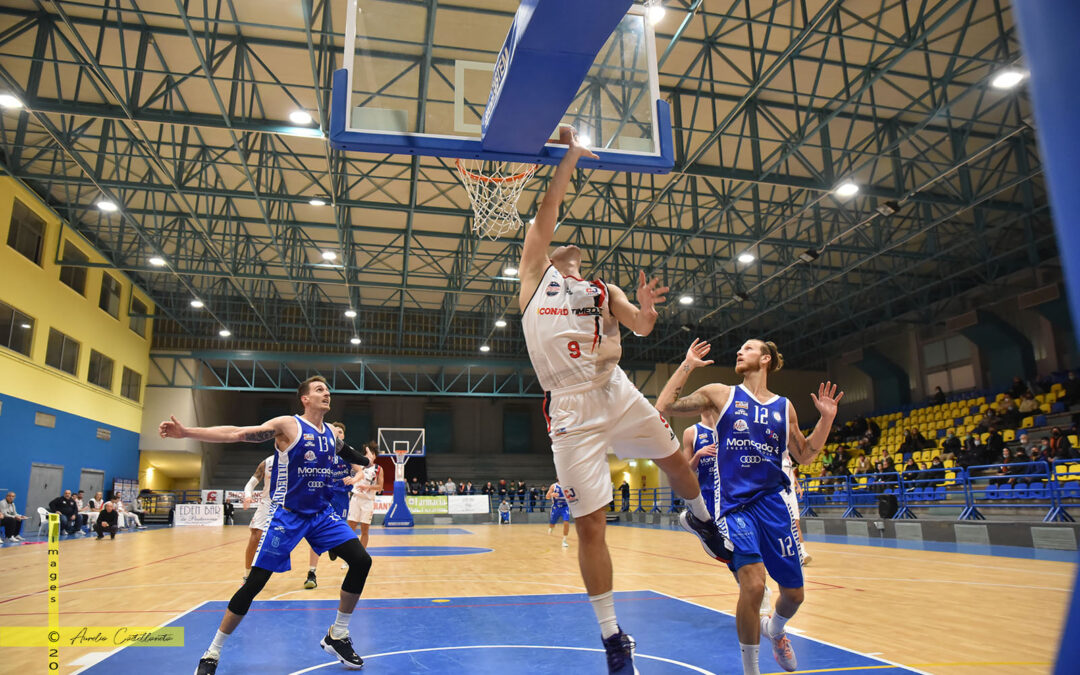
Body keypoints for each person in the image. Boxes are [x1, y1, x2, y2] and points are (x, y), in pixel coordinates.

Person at [517, 127, 731, 674]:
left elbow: (641, 327)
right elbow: (549, 206)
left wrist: (645, 307)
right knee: (593, 524)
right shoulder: (533, 280)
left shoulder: (601, 290)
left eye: (577, 250)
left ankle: (701, 519)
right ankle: (613, 638)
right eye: (565, 246)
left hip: (615, 388)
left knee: (676, 462)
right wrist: (569, 157)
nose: (572, 248)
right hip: (567, 407)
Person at [158, 375, 373, 674]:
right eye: (319, 390)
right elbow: (238, 433)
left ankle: (337, 634)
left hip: (321, 515)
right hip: (288, 515)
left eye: (328, 390)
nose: (327, 393)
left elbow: (345, 451)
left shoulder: (329, 436)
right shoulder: (288, 425)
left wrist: (366, 460)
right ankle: (212, 653)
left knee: (361, 561)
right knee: (255, 584)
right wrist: (187, 433)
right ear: (305, 399)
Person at [656, 338, 843, 675]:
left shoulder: (784, 407)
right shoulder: (720, 394)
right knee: (754, 585)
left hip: (774, 505)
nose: (739, 352)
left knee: (794, 596)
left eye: (748, 348)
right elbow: (665, 405)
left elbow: (804, 454)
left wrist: (826, 420)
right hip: (736, 506)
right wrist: (687, 365)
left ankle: (777, 629)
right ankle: (751, 670)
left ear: (766, 359)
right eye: (739, 349)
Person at [305, 422, 355, 588]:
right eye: (334, 431)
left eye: (339, 432)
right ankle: (311, 573)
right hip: (323, 495)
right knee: (315, 534)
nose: (336, 434)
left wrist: (354, 478)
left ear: (343, 436)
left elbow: (360, 470)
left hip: (341, 497)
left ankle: (336, 549)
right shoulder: (321, 450)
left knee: (342, 531)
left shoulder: (348, 452)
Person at [242, 453, 275, 582]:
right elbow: (250, 484)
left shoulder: (297, 458)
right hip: (267, 502)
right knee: (256, 535)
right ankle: (248, 575)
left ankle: (312, 571)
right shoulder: (267, 462)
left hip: (288, 503)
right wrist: (248, 496)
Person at [346, 443, 383, 551]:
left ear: (375, 455)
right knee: (350, 528)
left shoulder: (378, 469)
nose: (370, 455)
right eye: (368, 453)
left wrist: (368, 487)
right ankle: (349, 555)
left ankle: (361, 556)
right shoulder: (358, 465)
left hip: (368, 501)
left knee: (365, 530)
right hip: (356, 498)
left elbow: (380, 487)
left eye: (372, 453)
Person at [681, 412, 719, 517]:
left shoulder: (726, 427)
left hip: (727, 491)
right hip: (706, 491)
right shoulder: (691, 432)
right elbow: (687, 470)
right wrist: (698, 454)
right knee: (709, 530)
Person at [546, 482, 572, 548]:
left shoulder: (568, 486)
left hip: (565, 507)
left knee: (566, 522)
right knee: (552, 524)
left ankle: (564, 540)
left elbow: (572, 497)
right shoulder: (554, 486)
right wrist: (552, 494)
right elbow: (547, 497)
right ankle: (551, 527)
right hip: (556, 507)